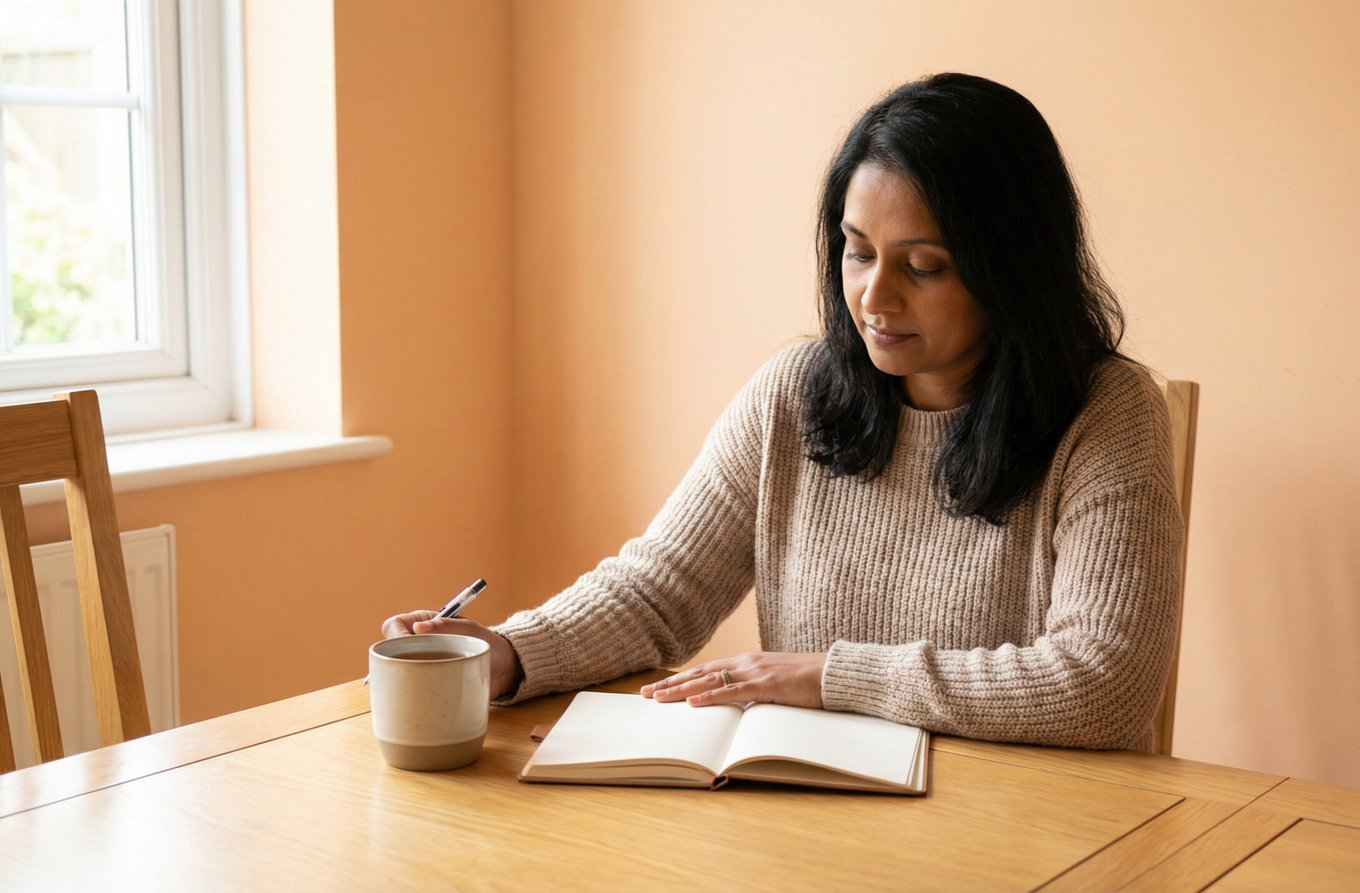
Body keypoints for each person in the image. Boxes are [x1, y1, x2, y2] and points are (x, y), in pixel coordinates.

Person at [383, 72, 1182, 750]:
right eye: (859, 250)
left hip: (1021, 837)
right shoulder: (797, 392)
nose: (875, 295)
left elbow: (1102, 684)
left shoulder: (1107, 415)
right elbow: (661, 589)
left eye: (926, 266)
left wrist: (828, 674)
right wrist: (511, 652)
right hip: (816, 817)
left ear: (1011, 269)